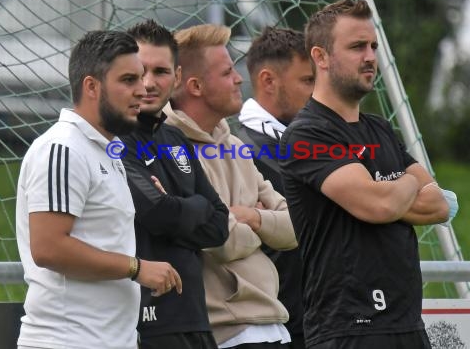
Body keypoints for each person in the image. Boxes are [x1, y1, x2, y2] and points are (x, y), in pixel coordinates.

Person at [279, 0, 453, 349]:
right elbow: (380, 206)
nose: (371, 56)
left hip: (407, 323)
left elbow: (439, 206)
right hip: (349, 329)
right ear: (321, 57)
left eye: (373, 46)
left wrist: (385, 193)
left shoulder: (380, 129)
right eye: (357, 46)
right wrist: (404, 184)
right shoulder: (306, 134)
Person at [15, 30, 182, 349]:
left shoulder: (108, 149)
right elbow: (48, 247)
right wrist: (136, 268)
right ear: (91, 86)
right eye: (129, 79)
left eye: (142, 77)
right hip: (66, 341)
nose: (142, 88)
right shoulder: (62, 147)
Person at [163, 24, 298, 349]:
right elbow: (220, 238)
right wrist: (264, 223)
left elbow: (295, 227)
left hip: (273, 323)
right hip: (226, 333)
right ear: (195, 86)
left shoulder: (234, 144)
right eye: (227, 72)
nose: (239, 78)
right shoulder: (170, 149)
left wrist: (248, 216)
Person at [121, 19, 229, 349]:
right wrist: (194, 205)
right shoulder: (115, 140)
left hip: (195, 317)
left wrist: (178, 207)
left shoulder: (174, 137)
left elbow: (220, 224)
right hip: (146, 322)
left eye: (161, 71)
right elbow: (158, 212)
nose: (149, 83)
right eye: (140, 72)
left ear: (178, 77)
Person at [237, 27, 314, 349]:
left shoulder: (311, 142)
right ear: (269, 81)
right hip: (276, 324)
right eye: (308, 80)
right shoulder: (242, 150)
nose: (319, 91)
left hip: (317, 320)